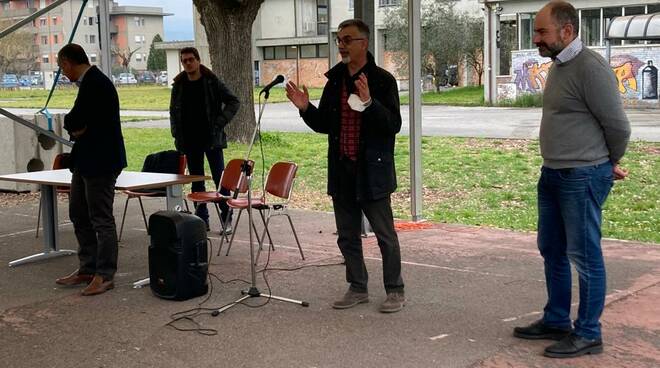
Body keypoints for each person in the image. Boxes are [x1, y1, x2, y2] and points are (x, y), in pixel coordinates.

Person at [513, 1, 631, 358]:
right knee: (552, 249)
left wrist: (607, 163)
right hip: (553, 173)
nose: (536, 39)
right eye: (535, 31)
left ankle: (589, 333)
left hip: (581, 176)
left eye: (542, 32)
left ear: (567, 31)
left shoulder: (590, 68)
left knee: (584, 255)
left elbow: (618, 126)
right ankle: (556, 320)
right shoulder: (561, 65)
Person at [286, 19, 405, 313]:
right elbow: (325, 124)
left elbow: (393, 125)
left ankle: (395, 290)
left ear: (363, 44)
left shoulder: (382, 81)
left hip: (372, 171)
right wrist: (306, 109)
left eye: (347, 39)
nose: (341, 45)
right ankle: (357, 287)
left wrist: (369, 102)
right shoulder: (336, 80)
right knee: (347, 235)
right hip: (342, 170)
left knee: (385, 235)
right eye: (339, 39)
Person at [55, 43, 127, 296]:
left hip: (101, 162)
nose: (63, 73)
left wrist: (78, 126)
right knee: (78, 213)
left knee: (100, 218)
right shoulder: (88, 83)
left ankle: (105, 274)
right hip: (85, 160)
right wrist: (77, 127)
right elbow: (74, 121)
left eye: (62, 68)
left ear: (67, 62)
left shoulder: (96, 83)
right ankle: (87, 267)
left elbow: (77, 120)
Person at [170, 47, 240, 233]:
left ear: (198, 60)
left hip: (212, 139)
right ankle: (201, 221)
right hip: (190, 141)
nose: (188, 63)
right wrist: (176, 134)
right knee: (197, 182)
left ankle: (227, 218)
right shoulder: (179, 85)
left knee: (221, 179)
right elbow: (173, 111)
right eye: (184, 61)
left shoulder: (211, 81)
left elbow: (234, 101)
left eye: (191, 59)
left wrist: (220, 122)